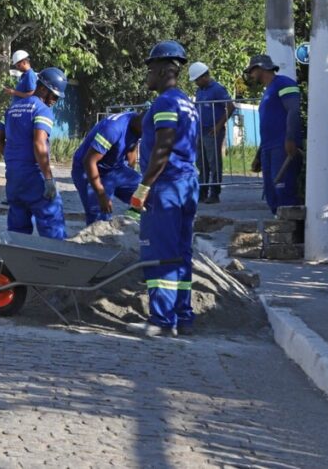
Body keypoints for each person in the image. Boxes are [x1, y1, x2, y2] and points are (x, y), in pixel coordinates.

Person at [127, 40, 199, 338]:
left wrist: (143, 188)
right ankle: (183, 316)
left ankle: (161, 320)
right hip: (187, 185)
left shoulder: (166, 102)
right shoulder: (188, 103)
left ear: (165, 69)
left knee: (158, 252)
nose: (147, 74)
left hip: (166, 186)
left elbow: (163, 148)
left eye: (151, 69)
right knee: (180, 253)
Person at [3, 68, 68, 239]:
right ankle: (55, 262)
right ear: (43, 89)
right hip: (34, 177)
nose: (54, 101)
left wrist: (13, 158)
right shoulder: (42, 110)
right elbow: (39, 143)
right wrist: (48, 179)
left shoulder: (12, 108)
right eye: (54, 96)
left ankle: (17, 264)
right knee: (53, 225)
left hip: (14, 178)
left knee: (17, 232)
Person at [245, 54, 302, 213]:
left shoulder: (283, 83)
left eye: (252, 71)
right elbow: (267, 126)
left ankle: (293, 234)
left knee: (284, 192)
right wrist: (259, 156)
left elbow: (293, 110)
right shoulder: (268, 91)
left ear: (261, 68)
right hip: (268, 149)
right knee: (271, 194)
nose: (250, 75)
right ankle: (279, 233)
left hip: (282, 147)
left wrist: (290, 139)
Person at [71, 112, 142, 225]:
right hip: (87, 170)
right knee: (99, 220)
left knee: (147, 192)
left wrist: (130, 173)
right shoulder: (113, 129)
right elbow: (89, 161)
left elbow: (132, 147)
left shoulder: (139, 126)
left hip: (114, 169)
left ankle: (132, 217)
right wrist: (101, 194)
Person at [189, 61, 234, 204]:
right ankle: (202, 193)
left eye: (196, 80)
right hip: (200, 131)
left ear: (203, 77)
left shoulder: (218, 89)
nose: (196, 83)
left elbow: (230, 107)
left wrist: (218, 126)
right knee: (202, 164)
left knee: (214, 163)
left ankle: (214, 193)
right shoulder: (199, 91)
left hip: (212, 132)